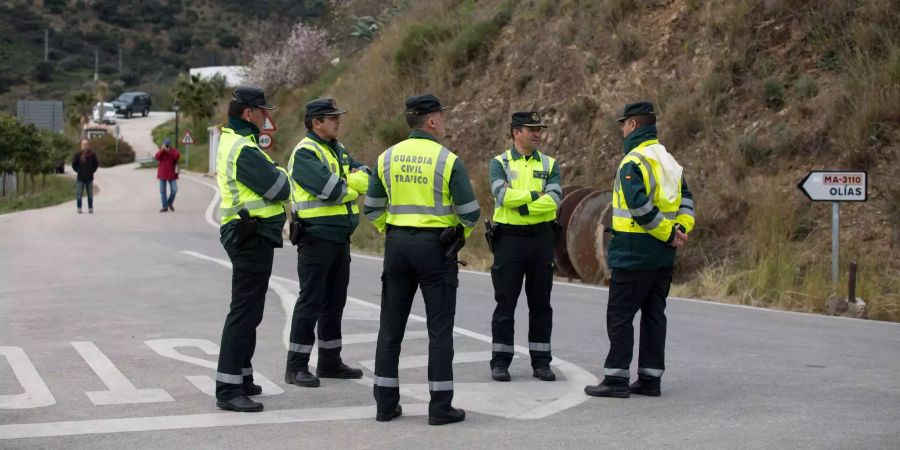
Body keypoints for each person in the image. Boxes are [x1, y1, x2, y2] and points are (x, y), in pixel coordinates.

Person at [364, 94, 480, 425]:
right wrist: (458, 236)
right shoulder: (447, 160)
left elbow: (371, 207)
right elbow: (470, 212)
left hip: (397, 246)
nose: (444, 121)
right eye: (441, 117)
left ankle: (385, 405)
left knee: (390, 329)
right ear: (430, 121)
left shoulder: (386, 158)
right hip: (435, 250)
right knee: (439, 331)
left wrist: (390, 229)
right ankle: (440, 407)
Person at [584, 101, 695, 398]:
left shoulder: (634, 161)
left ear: (633, 125)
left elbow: (639, 205)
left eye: (623, 124)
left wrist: (668, 231)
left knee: (620, 314)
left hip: (635, 251)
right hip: (664, 254)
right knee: (654, 314)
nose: (621, 129)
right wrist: (680, 229)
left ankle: (616, 378)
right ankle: (649, 379)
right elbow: (687, 199)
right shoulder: (669, 160)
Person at [214, 86, 291, 413]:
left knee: (251, 309)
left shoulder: (237, 142)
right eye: (262, 111)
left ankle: (242, 375)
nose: (266, 116)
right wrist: (281, 175)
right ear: (248, 113)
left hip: (251, 233)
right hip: (249, 233)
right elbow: (279, 187)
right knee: (244, 310)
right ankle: (228, 388)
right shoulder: (243, 149)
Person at [284, 98, 369, 387]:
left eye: (337, 116)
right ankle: (296, 366)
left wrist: (352, 181)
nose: (338, 121)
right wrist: (352, 184)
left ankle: (330, 362)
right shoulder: (306, 153)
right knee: (310, 301)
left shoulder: (337, 149)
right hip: (316, 237)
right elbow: (331, 190)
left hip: (339, 239)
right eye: (332, 117)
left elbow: (367, 175)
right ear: (315, 122)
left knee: (334, 302)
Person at [487, 112, 562, 383]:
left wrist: (520, 203)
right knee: (505, 303)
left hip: (541, 239)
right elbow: (502, 196)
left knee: (541, 304)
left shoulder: (550, 164)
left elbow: (554, 200)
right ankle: (500, 362)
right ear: (515, 132)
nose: (537, 133)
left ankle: (542, 362)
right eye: (531, 129)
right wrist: (533, 197)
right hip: (509, 240)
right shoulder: (500, 163)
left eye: (539, 128)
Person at [72, 139, 99, 214]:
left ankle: (90, 208)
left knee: (90, 194)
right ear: (81, 146)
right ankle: (79, 208)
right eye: (83, 144)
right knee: (79, 193)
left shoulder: (92, 155)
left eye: (86, 144)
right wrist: (78, 171)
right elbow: (74, 165)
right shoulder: (77, 155)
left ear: (88, 145)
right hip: (80, 177)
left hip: (89, 178)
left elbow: (96, 164)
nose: (85, 146)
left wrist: (92, 171)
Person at [155, 138, 181, 212]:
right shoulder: (161, 151)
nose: (167, 146)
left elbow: (177, 156)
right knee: (162, 191)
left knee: (174, 190)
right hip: (162, 173)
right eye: (165, 144)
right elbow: (156, 157)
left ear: (170, 145)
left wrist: (169, 151)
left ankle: (169, 203)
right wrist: (162, 150)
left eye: (168, 144)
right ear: (163, 144)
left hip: (172, 174)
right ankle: (165, 206)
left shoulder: (174, 151)